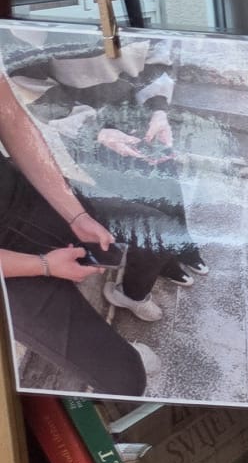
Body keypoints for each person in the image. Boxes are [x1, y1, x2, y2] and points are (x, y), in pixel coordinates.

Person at [0, 80, 153, 396]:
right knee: (126, 379)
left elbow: (11, 119)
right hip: (7, 272)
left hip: (19, 194)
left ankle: (130, 295)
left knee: (155, 231)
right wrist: (43, 265)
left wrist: (76, 215)